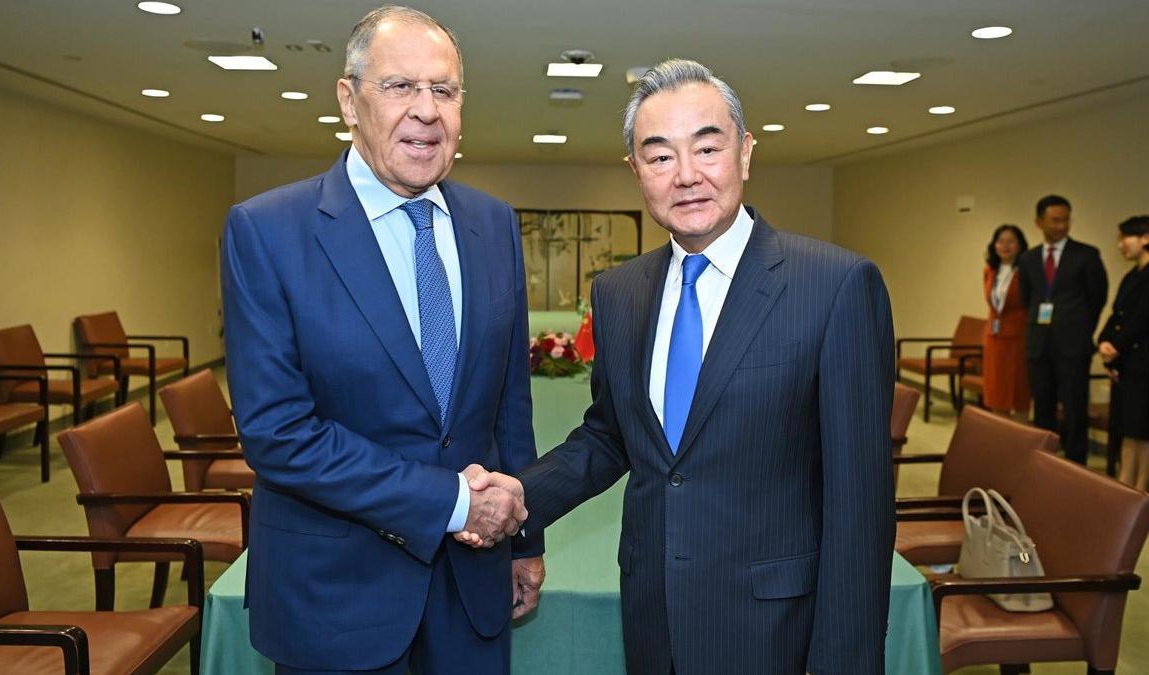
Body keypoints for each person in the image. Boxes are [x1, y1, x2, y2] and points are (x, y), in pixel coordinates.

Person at [462, 59, 895, 674]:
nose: (687, 175)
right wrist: (519, 493)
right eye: (660, 156)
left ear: (745, 153)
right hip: (653, 617)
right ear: (637, 171)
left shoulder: (835, 287)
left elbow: (860, 509)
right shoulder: (619, 292)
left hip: (776, 631)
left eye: (708, 148)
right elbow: (612, 435)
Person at [220, 7, 543, 674]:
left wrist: (523, 541)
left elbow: (509, 405)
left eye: (444, 90)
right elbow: (279, 433)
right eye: (399, 86)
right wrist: (452, 502)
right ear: (349, 100)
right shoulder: (267, 231)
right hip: (335, 600)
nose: (426, 110)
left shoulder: (493, 223)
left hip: (473, 588)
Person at [1018, 194, 1108, 465]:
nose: (1062, 226)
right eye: (1055, 220)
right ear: (1039, 222)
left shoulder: (1086, 255)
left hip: (1073, 346)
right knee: (1042, 407)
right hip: (1039, 345)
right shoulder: (1028, 259)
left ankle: (1075, 465)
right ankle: (1043, 462)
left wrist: (1078, 328)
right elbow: (1027, 299)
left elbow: (1097, 298)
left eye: (1066, 220)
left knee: (1074, 408)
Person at [1098, 215, 1149, 490]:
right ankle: (1125, 482)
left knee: (1143, 430)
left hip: (1143, 363)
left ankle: (1140, 488)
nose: (1120, 245)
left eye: (1125, 237)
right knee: (1129, 429)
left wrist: (1117, 346)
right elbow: (1117, 314)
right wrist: (1104, 341)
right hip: (1128, 363)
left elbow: (1141, 320)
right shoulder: (1132, 276)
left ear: (1145, 238)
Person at [982, 224, 1031, 417]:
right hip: (994, 339)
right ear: (994, 245)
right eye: (1000, 241)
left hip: (1019, 339)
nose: (1005, 246)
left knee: (1019, 393)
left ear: (1020, 245)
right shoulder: (990, 271)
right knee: (996, 393)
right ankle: (1000, 433)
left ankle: (1020, 433)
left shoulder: (1026, 271)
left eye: (1011, 241)